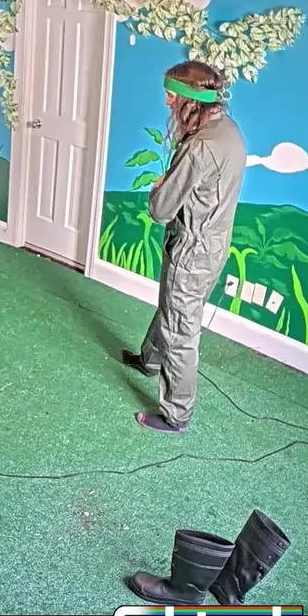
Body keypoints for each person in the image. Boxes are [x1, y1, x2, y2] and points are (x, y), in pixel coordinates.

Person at [121, 60, 247, 434]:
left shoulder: (199, 148)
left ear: (189, 100)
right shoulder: (228, 130)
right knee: (173, 310)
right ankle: (150, 360)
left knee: (180, 331)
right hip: (212, 245)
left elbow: (161, 210)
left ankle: (176, 415)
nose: (166, 102)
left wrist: (160, 186)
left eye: (170, 95)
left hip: (192, 251)